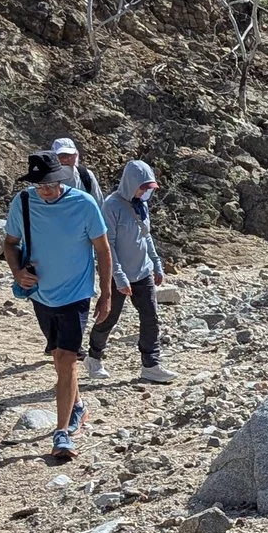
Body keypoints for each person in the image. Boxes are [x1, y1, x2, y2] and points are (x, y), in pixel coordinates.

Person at [3, 150, 115, 462]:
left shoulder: (83, 204)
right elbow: (10, 244)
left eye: (51, 185)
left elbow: (103, 251)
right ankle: (77, 405)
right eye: (40, 186)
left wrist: (105, 295)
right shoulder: (23, 202)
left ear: (62, 179)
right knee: (58, 358)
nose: (46, 191)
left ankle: (62, 433)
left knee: (66, 360)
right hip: (41, 295)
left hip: (77, 295)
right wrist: (17, 272)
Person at [89, 158, 179, 384]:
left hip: (143, 272)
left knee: (151, 318)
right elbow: (107, 245)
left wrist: (156, 263)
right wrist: (118, 277)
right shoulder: (111, 206)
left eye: (150, 188)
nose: (147, 192)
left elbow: (145, 236)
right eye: (144, 187)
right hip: (118, 275)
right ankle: (94, 356)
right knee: (109, 318)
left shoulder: (142, 204)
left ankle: (151, 364)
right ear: (131, 183)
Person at [48, 137, 104, 202]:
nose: (65, 160)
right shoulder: (43, 180)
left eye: (69, 156)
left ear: (75, 156)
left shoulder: (86, 176)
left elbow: (98, 203)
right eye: (61, 156)